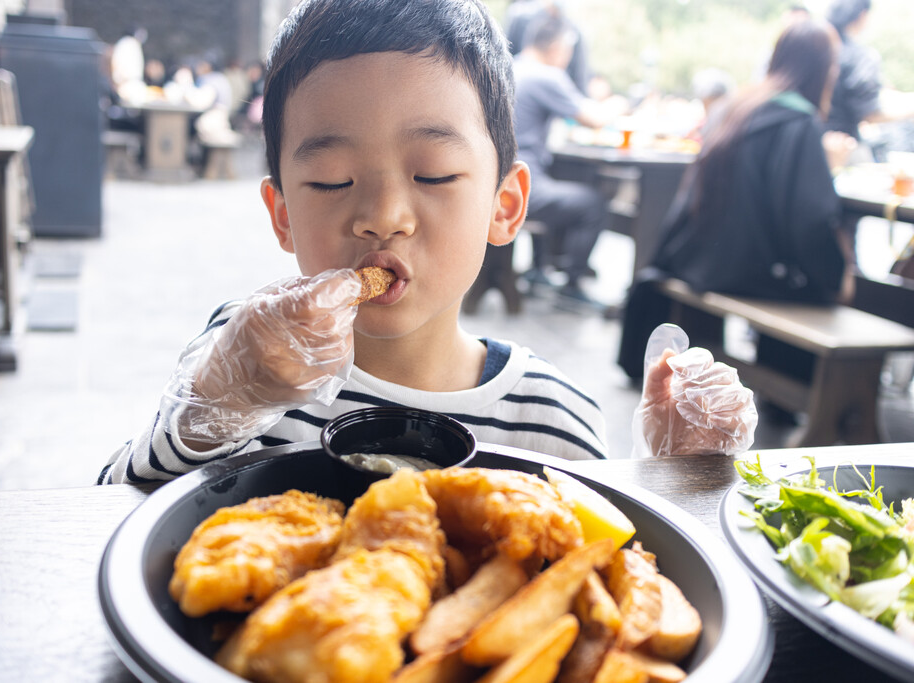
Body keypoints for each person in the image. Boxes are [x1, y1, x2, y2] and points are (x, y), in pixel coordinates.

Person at [98, 0, 756, 486]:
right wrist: (215, 405)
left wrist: (680, 486)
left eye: (434, 173)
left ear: (506, 206)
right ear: (282, 216)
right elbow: (112, 508)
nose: (383, 216)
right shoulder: (248, 363)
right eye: (331, 180)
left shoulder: (553, 420)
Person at [618, 18, 857, 381]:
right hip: (749, 271)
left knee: (810, 274)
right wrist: (839, 276)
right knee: (820, 282)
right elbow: (810, 220)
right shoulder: (799, 121)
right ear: (823, 70)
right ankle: (792, 394)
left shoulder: (736, 107)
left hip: (699, 262)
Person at [513, 14, 612, 308]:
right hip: (520, 185)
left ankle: (538, 269)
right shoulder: (546, 75)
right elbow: (594, 119)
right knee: (592, 204)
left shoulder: (510, 66)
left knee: (556, 183)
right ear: (557, 47)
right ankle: (571, 281)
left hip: (498, 178)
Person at [825, 0, 914, 145]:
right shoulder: (861, 56)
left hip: (807, 143)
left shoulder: (815, 48)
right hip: (843, 144)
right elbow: (869, 112)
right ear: (862, 15)